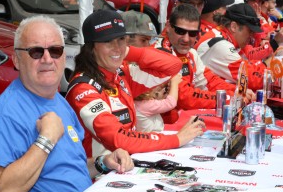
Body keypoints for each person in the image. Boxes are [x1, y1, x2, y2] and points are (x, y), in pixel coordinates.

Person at [0, 15, 134, 192]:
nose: (47, 59)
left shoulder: (60, 103)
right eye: (36, 52)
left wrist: (103, 162)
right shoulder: (4, 115)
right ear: (17, 60)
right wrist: (46, 140)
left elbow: (67, 171)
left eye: (55, 51)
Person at [65, 9, 205, 158]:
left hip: (126, 165)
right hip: (98, 175)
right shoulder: (83, 89)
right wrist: (177, 139)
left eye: (120, 39)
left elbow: (173, 66)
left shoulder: (122, 73)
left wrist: (128, 51)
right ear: (91, 48)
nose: (117, 47)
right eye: (108, 41)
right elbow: (119, 139)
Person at [155, 4, 253, 111]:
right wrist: (227, 98)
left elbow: (209, 81)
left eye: (193, 33)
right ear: (168, 27)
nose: (186, 39)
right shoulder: (159, 53)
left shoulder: (191, 53)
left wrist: (237, 91)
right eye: (180, 31)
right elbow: (184, 97)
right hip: (160, 123)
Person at [194, 3, 283, 91]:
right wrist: (277, 73)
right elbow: (252, 79)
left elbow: (250, 64)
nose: (252, 36)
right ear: (234, 27)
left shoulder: (226, 38)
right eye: (250, 31)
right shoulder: (221, 45)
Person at [120, 10, 181, 132]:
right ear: (125, 40)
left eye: (149, 40)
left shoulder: (138, 63)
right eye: (143, 40)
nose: (148, 45)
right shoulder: (119, 69)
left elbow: (174, 65)